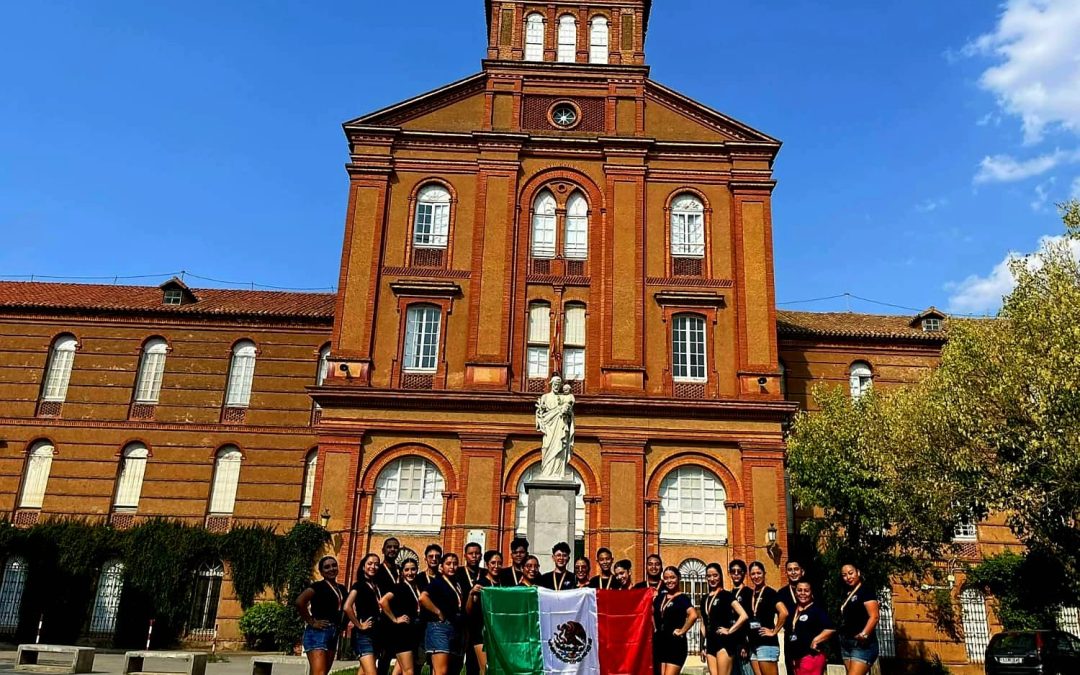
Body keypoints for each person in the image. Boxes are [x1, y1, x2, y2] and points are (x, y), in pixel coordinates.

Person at [297, 556, 348, 675]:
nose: (331, 569)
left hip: (333, 633)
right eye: (327, 567)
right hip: (318, 633)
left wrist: (343, 625)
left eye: (334, 565)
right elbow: (300, 602)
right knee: (319, 673)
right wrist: (311, 622)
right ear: (321, 571)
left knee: (322, 672)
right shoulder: (317, 587)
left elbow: (346, 609)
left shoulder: (342, 589)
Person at [699, 563, 749, 675]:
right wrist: (702, 646)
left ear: (720, 576)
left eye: (715, 575)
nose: (712, 579)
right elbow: (703, 623)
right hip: (710, 643)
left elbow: (744, 615)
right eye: (709, 576)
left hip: (724, 643)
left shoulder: (726, 595)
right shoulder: (704, 599)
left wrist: (730, 630)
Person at [419, 553, 465, 675]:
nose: (452, 566)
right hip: (439, 628)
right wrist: (438, 612)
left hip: (454, 628)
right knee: (441, 671)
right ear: (441, 567)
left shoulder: (457, 583)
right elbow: (423, 598)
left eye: (455, 564)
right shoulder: (438, 582)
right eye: (448, 564)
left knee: (449, 670)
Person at [378, 558, 422, 675]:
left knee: (397, 671)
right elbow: (383, 601)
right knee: (408, 671)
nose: (410, 573)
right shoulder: (399, 587)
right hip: (402, 634)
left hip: (412, 632)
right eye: (406, 570)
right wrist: (395, 619)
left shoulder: (417, 587)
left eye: (413, 569)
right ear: (402, 572)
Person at [653, 566, 698, 675]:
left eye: (672, 577)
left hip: (675, 644)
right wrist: (654, 629)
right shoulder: (660, 597)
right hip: (660, 643)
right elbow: (651, 612)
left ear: (678, 578)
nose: (669, 581)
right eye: (666, 578)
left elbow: (693, 615)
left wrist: (682, 631)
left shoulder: (682, 598)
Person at [746, 561, 788, 675]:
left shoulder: (771, 593)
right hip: (753, 644)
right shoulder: (751, 594)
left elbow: (784, 612)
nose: (756, 576)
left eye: (759, 573)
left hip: (767, 644)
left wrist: (774, 632)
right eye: (753, 574)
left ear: (764, 573)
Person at [838, 564, 880, 675]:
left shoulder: (866, 590)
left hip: (862, 644)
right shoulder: (846, 593)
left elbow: (874, 616)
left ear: (858, 572)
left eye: (851, 573)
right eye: (844, 575)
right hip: (846, 643)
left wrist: (864, 634)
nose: (848, 577)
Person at [344, 554, 382, 675]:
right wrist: (359, 625)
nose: (373, 566)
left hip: (376, 633)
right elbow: (347, 607)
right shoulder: (359, 585)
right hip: (363, 635)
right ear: (363, 566)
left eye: (376, 564)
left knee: (363, 672)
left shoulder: (377, 586)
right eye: (370, 563)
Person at [465, 551, 501, 674]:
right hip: (481, 632)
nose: (496, 566)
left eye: (499, 563)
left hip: (498, 632)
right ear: (487, 565)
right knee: (486, 668)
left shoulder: (502, 584)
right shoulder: (480, 584)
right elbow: (469, 610)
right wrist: (471, 594)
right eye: (493, 563)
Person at [787, 581, 834, 675]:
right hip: (797, 658)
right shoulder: (793, 609)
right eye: (799, 590)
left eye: (806, 591)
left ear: (811, 592)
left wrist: (816, 640)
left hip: (811, 656)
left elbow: (830, 628)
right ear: (795, 592)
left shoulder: (817, 610)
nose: (803, 593)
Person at [456, 542, 485, 675]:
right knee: (456, 662)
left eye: (477, 553)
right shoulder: (458, 573)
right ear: (465, 556)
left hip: (479, 624)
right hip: (461, 623)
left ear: (481, 556)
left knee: (474, 664)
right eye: (471, 554)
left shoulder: (485, 574)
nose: (474, 556)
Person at [374, 538, 401, 675]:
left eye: (395, 547)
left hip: (396, 618)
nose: (392, 549)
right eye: (389, 547)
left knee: (392, 654)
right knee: (381, 657)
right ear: (383, 550)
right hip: (382, 618)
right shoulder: (377, 571)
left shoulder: (400, 570)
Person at [779, 559, 805, 675]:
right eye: (790, 570)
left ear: (802, 571)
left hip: (808, 639)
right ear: (786, 573)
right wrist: (774, 631)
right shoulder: (782, 593)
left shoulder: (810, 590)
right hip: (790, 638)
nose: (793, 572)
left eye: (796, 569)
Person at [728, 559, 753, 675]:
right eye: (733, 571)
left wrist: (746, 644)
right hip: (730, 640)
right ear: (730, 574)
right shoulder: (728, 594)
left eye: (739, 571)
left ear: (744, 574)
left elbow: (750, 619)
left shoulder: (749, 593)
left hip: (742, 641)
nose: (736, 574)